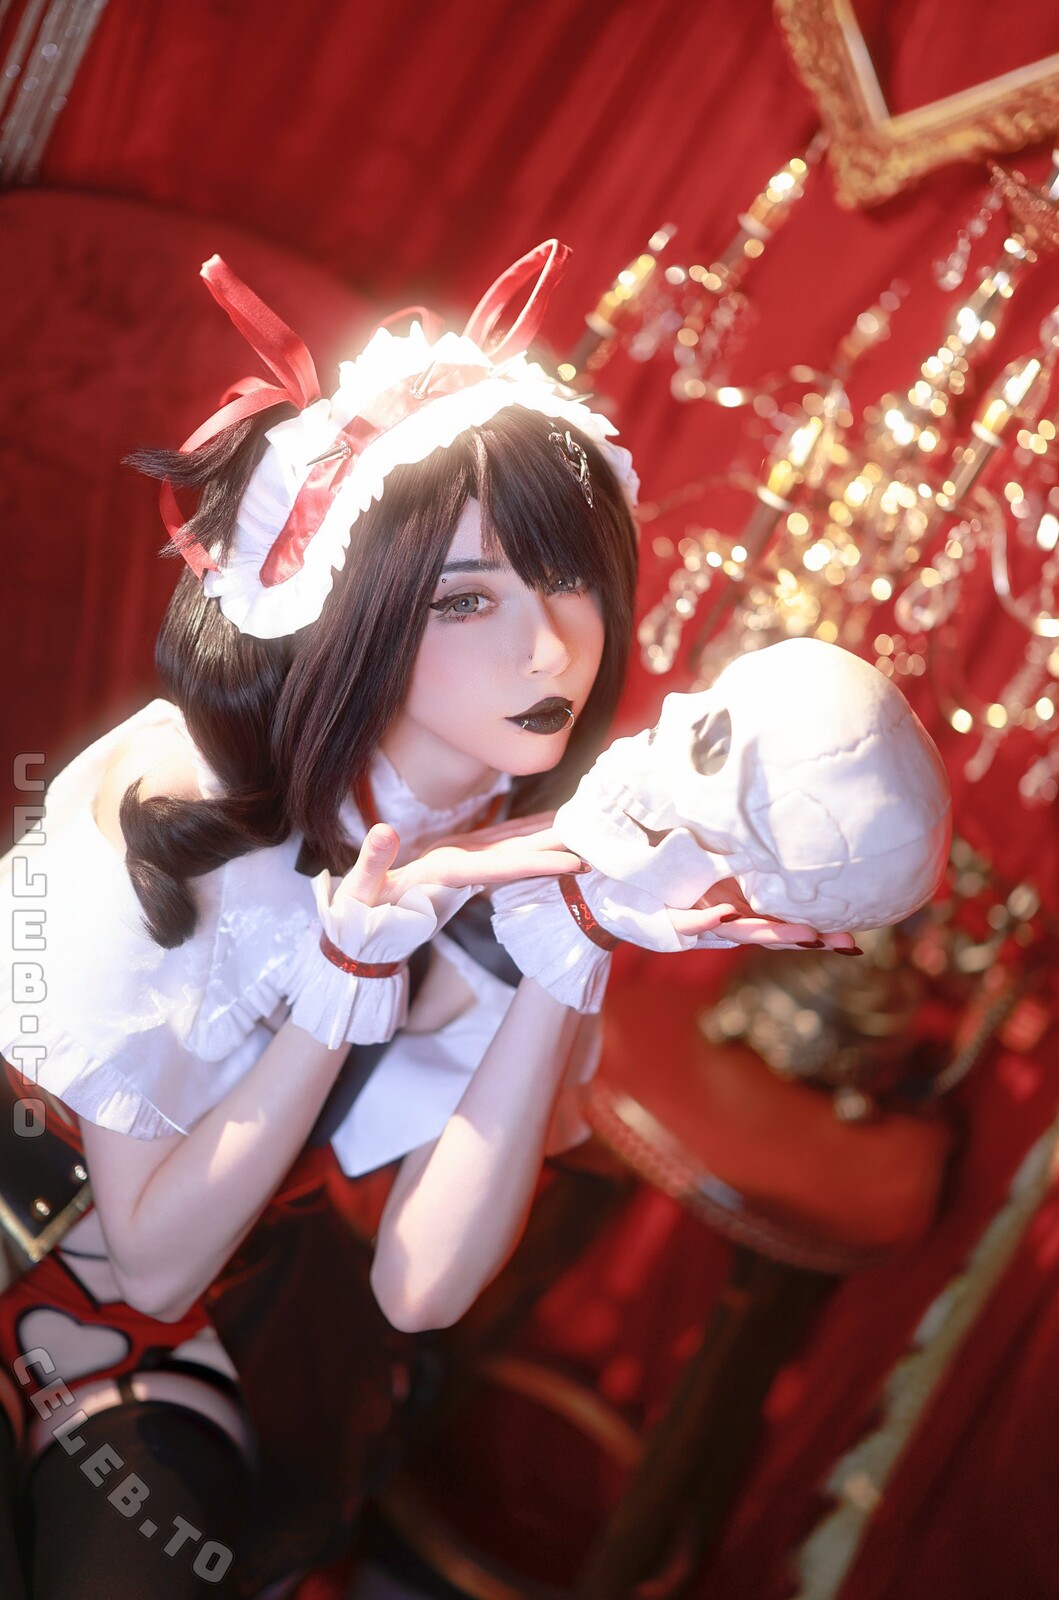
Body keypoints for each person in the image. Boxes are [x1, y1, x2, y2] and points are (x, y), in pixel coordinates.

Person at [0, 241, 853, 1598]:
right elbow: (150, 1252)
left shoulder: (525, 859)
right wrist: (345, 971)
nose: (550, 647)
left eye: (568, 578)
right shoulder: (185, 799)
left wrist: (571, 946)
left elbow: (421, 1285)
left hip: (164, 1332)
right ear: (359, 612)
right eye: (468, 596)